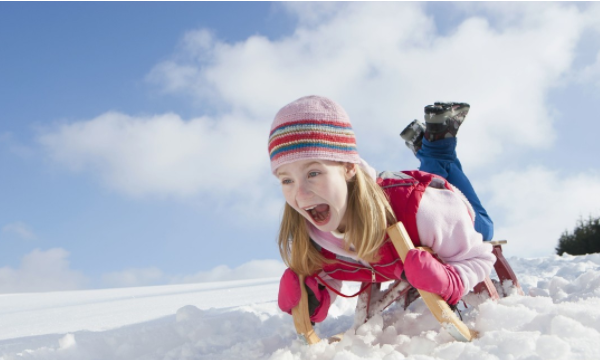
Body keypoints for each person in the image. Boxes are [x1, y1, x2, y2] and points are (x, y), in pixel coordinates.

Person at [269, 95, 495, 323]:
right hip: (418, 211)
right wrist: (315, 293)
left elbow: (478, 256)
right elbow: (335, 263)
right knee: (434, 171)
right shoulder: (312, 227)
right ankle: (428, 147)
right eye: (287, 181)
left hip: (455, 215)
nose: (300, 195)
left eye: (313, 173)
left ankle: (436, 148)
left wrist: (451, 281)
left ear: (348, 167)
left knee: (486, 226)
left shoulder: (421, 210)